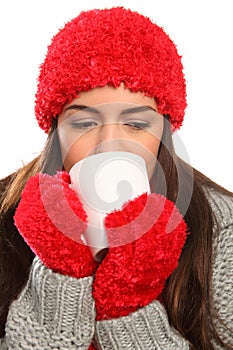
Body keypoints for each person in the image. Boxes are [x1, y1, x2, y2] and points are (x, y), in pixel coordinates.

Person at [0, 6, 232, 350]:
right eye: (83, 124)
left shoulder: (221, 227)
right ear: (55, 130)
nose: (109, 144)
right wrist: (61, 273)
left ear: (164, 132)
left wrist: (129, 303)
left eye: (137, 125)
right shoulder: (7, 216)